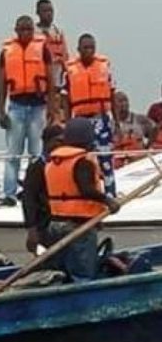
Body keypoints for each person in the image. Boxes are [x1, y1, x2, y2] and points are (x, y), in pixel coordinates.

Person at [44, 118, 120, 281]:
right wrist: (108, 201)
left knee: (63, 271)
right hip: (78, 227)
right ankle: (82, 301)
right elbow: (86, 190)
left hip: (56, 224)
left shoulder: (53, 161)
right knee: (83, 273)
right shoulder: (81, 162)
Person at [0, 15, 54, 206]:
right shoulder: (6, 51)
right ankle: (9, 194)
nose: (26, 33)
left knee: (36, 153)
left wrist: (52, 108)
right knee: (13, 153)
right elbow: (2, 83)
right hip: (16, 106)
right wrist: (0, 111)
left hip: (38, 106)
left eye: (29, 29)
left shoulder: (42, 48)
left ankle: (34, 192)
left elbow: (51, 80)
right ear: (16, 30)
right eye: (22, 29)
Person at [63, 33, 117, 196]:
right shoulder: (69, 69)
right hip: (79, 121)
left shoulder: (104, 66)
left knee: (105, 156)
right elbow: (65, 99)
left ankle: (110, 193)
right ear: (79, 49)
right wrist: (67, 122)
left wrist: (116, 121)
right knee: (81, 159)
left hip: (101, 118)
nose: (89, 51)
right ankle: (85, 193)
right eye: (86, 47)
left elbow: (113, 94)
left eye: (92, 47)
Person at [22, 125, 64, 254]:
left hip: (61, 223)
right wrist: (32, 229)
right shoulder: (36, 168)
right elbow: (28, 199)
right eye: (58, 141)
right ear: (47, 142)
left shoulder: (61, 165)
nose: (62, 145)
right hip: (43, 226)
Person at [113, 91, 154, 167]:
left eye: (125, 100)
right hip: (118, 164)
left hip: (140, 162)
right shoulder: (110, 125)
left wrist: (148, 147)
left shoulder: (140, 119)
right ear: (113, 105)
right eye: (120, 101)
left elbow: (155, 130)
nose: (124, 104)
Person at [35, 0, 69, 88]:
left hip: (57, 80)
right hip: (40, 79)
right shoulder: (33, 32)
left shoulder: (58, 31)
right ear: (38, 12)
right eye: (45, 11)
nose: (49, 14)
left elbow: (65, 55)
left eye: (51, 11)